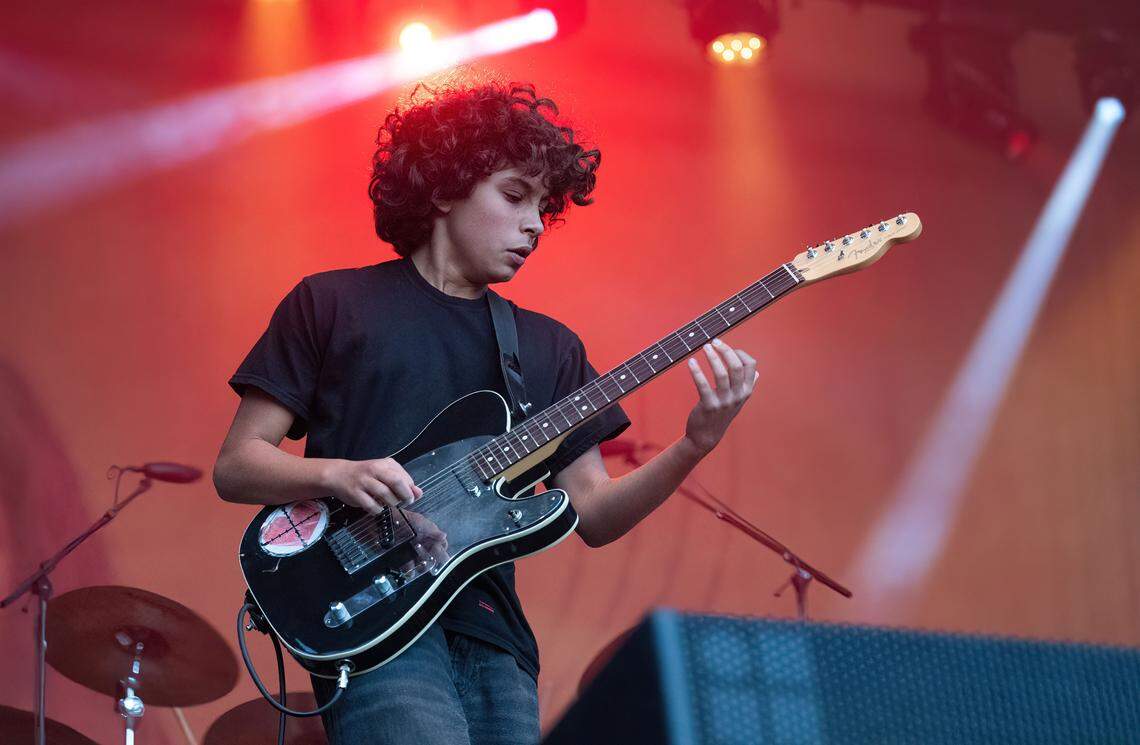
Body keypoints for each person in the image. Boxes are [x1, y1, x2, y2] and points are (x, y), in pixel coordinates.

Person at [212, 81, 759, 745]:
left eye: (544, 206)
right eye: (514, 195)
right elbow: (238, 465)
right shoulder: (332, 304)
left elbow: (592, 514)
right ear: (444, 189)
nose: (534, 224)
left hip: (495, 633)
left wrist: (694, 443)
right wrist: (337, 475)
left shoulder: (548, 347)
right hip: (371, 618)